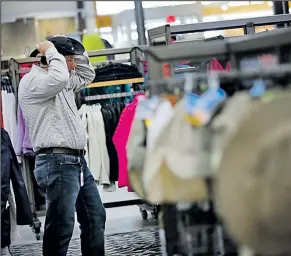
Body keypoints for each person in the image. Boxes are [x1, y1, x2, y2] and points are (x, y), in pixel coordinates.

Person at [18, 36, 106, 256]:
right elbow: (57, 78)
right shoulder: (33, 82)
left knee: (95, 216)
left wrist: (77, 51)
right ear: (51, 59)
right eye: (69, 60)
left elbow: (87, 74)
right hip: (56, 162)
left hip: (76, 162)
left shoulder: (61, 79)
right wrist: (50, 51)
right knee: (61, 227)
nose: (73, 65)